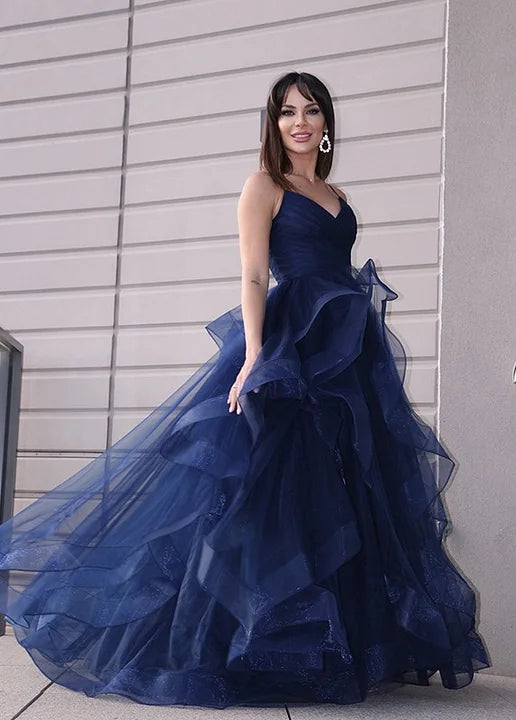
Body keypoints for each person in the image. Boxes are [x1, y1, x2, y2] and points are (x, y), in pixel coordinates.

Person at [0, 71, 490, 709]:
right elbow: (255, 274)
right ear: (274, 123)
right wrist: (257, 356)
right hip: (296, 344)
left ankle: (327, 648)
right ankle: (224, 646)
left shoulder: (332, 189)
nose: (300, 123)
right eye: (287, 113)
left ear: (326, 122)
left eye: (311, 111)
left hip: (346, 350)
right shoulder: (265, 185)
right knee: (264, 495)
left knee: (342, 493)